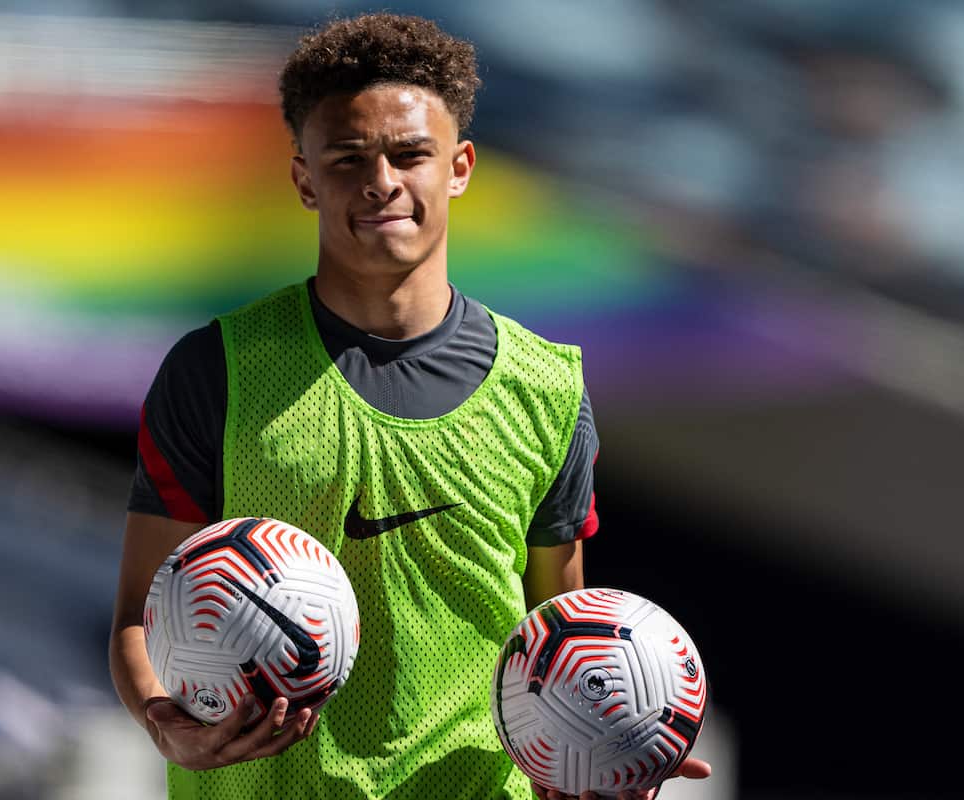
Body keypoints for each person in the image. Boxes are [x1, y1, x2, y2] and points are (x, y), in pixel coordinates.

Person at [108, 12, 710, 800]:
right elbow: (135, 616)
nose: (381, 181)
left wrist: (598, 757)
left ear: (459, 166)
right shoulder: (215, 371)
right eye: (348, 158)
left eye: (410, 154)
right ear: (303, 179)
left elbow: (562, 638)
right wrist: (163, 718)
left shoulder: (548, 389)